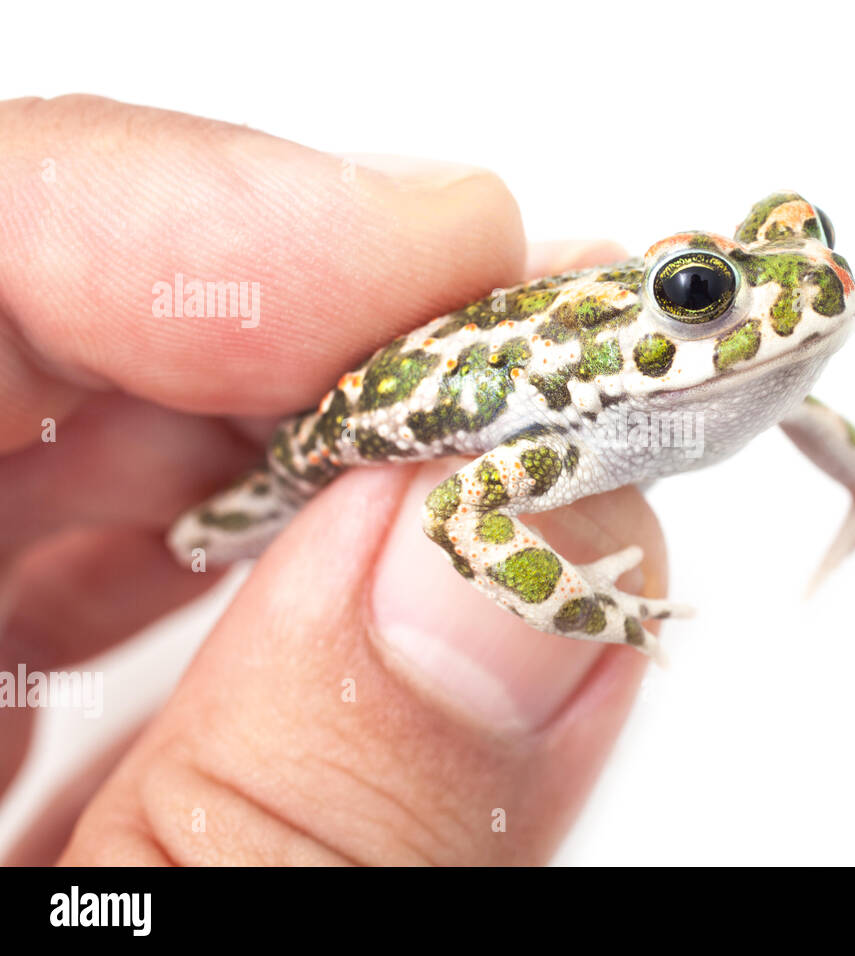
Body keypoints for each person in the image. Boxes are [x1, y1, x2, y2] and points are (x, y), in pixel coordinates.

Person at [0, 95, 666, 865]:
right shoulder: (550, 447)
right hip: (305, 457)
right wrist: (581, 608)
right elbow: (456, 512)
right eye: (695, 297)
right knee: (193, 534)